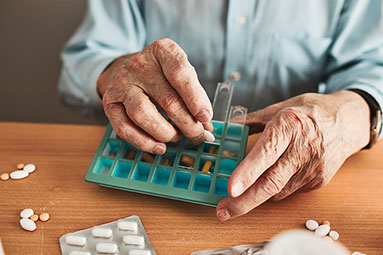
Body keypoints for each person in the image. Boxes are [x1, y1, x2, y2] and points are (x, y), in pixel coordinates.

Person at [59, 0, 383, 221]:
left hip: (290, 204)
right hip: (148, 190)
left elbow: (372, 68)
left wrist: (353, 112)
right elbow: (85, 59)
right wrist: (116, 71)